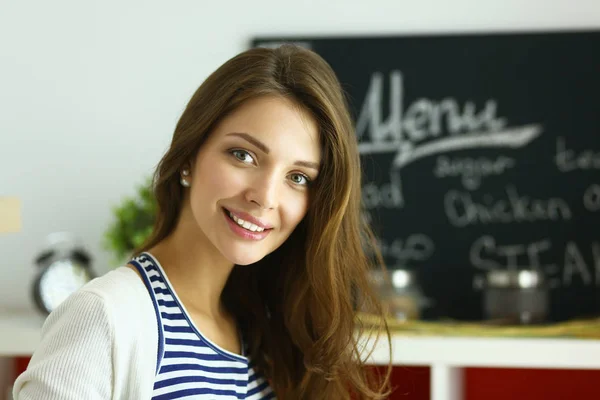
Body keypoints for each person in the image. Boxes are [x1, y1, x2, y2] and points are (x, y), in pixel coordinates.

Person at [13, 44, 391, 399]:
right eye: (243, 155)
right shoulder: (103, 316)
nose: (265, 196)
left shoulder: (257, 328)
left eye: (298, 177)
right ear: (190, 156)